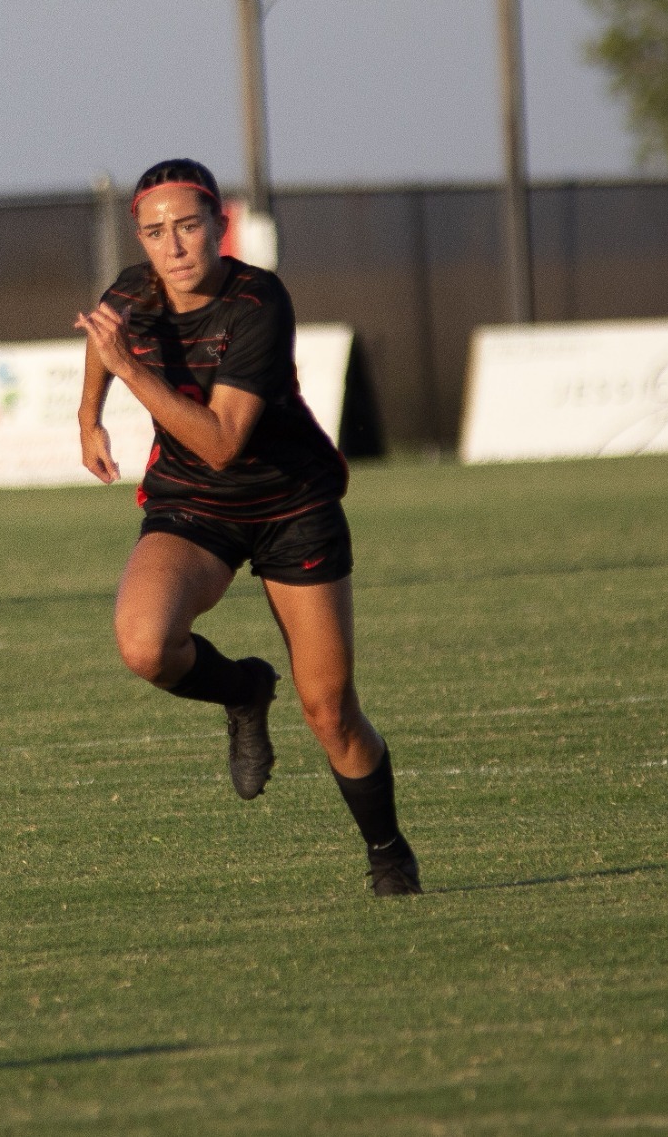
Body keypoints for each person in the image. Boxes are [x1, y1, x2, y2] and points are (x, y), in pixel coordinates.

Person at [76, 159, 419, 896]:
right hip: (194, 504)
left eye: (188, 225)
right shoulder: (132, 292)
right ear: (140, 238)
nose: (173, 246)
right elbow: (104, 335)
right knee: (144, 644)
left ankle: (389, 852)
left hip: (291, 504)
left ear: (218, 226)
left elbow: (224, 443)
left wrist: (130, 375)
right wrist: (88, 415)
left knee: (330, 711)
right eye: (155, 232)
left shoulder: (257, 300)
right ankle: (241, 691)